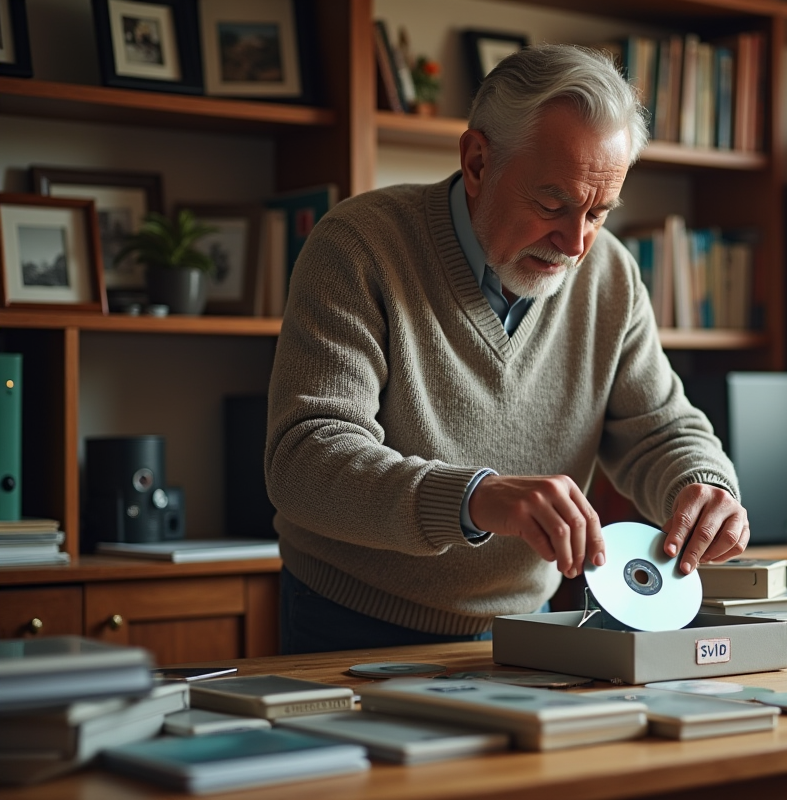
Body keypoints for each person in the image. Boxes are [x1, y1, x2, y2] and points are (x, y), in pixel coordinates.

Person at [265, 43, 749, 655]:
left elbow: (659, 430)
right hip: (349, 620)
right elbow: (304, 459)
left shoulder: (611, 276)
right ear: (476, 161)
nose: (575, 243)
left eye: (599, 212)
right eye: (553, 204)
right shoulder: (358, 246)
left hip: (531, 622)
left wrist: (703, 485)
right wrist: (475, 498)